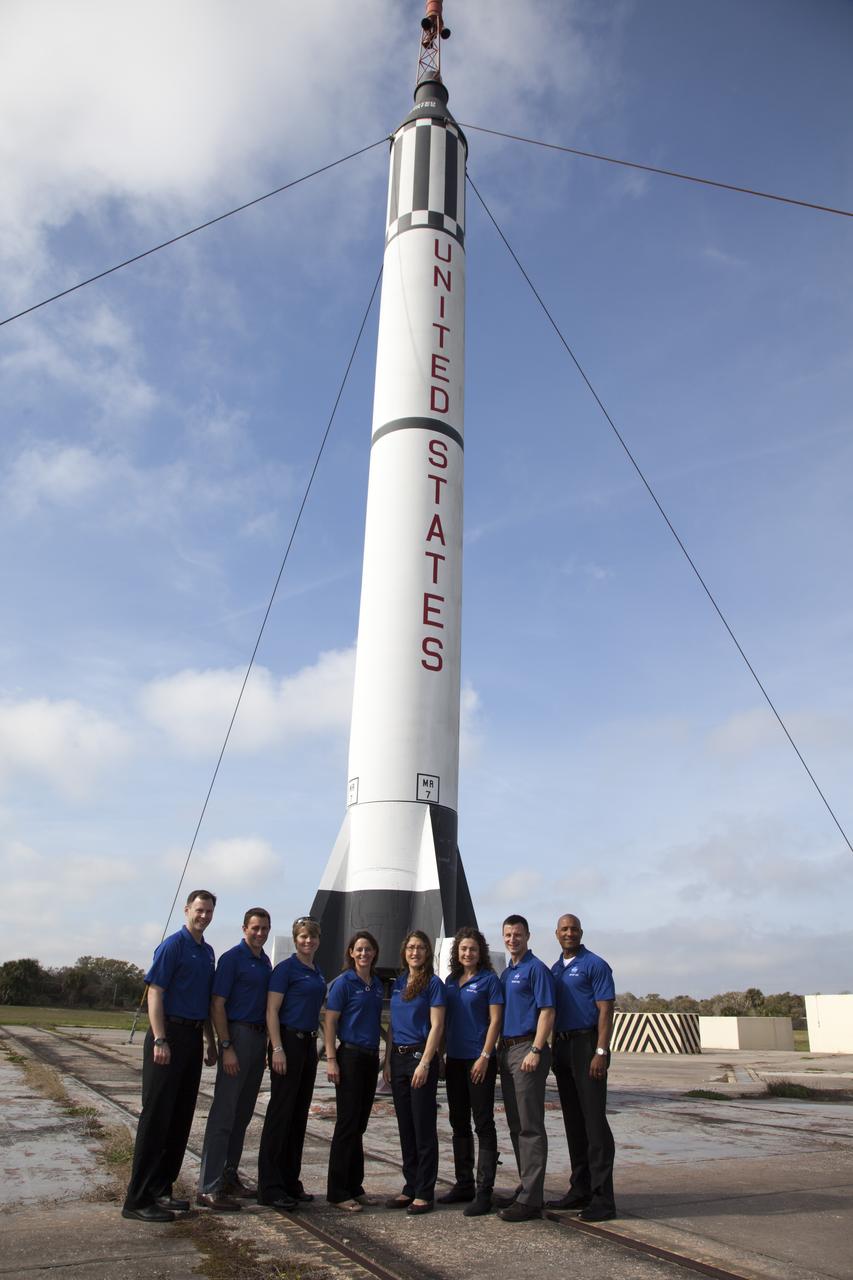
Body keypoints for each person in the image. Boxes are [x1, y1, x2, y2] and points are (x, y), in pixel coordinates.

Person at [122, 889, 217, 1222]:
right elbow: (155, 992)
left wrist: (210, 1040)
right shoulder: (173, 946)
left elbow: (205, 1001)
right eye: (199, 910)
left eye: (209, 911)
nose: (204, 915)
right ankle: (137, 1199)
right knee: (157, 1116)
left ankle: (162, 1189)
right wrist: (160, 1039)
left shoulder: (207, 953)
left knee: (180, 1117)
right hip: (169, 1036)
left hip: (192, 1035)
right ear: (187, 909)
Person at [196, 907, 273, 1210]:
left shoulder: (264, 961)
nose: (261, 933)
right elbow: (217, 1004)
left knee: (242, 1115)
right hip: (237, 1037)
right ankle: (208, 1185)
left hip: (257, 1039)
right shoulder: (231, 959)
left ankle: (229, 1176)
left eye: (265, 928)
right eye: (255, 928)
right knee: (224, 1114)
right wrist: (224, 1045)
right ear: (244, 928)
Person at [546, 912, 617, 1222]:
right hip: (561, 1046)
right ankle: (580, 1188)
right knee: (573, 1123)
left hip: (587, 1045)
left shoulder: (595, 965)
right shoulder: (555, 969)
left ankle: (603, 1198)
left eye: (574, 929)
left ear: (581, 932)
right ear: (556, 933)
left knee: (594, 1123)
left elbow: (606, 1011)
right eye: (564, 929)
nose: (569, 933)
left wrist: (601, 1050)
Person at [257, 916, 326, 1210]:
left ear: (318, 940)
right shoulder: (285, 969)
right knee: (280, 1115)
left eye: (311, 937)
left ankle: (290, 1181)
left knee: (298, 1116)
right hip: (288, 1042)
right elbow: (272, 1010)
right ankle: (270, 1187)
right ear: (295, 939)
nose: (307, 941)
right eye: (302, 937)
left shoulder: (317, 971)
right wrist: (277, 1049)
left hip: (309, 1045)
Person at [494, 914, 555, 1223]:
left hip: (527, 1050)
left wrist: (536, 1049)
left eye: (517, 934)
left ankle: (532, 1198)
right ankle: (526, 1187)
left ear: (527, 936)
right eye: (507, 934)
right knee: (517, 1125)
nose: (512, 939)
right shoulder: (507, 973)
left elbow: (547, 1010)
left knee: (530, 1125)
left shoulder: (536, 970)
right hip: (506, 1051)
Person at [439, 927, 503, 1217]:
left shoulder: (490, 980)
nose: (468, 953)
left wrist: (485, 1056)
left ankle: (484, 1191)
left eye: (473, 949)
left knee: (483, 1123)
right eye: (464, 949)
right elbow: (441, 1022)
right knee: (458, 1122)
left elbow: (495, 1021)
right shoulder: (450, 982)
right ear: (458, 952)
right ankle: (464, 1183)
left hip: (479, 1062)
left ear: (481, 952)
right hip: (454, 1061)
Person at [383, 930, 446, 1216]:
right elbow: (394, 1024)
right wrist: (387, 1060)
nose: (415, 952)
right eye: (411, 947)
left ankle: (424, 1191)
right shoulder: (398, 983)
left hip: (421, 1057)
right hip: (397, 1059)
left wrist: (425, 1062)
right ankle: (410, 1185)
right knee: (405, 1126)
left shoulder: (433, 984)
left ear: (427, 952)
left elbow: (437, 1025)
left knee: (423, 1125)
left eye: (420, 947)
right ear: (404, 951)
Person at [324, 930, 384, 1212]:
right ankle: (337, 1191)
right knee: (347, 1124)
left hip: (371, 1058)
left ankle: (354, 1185)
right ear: (351, 952)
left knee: (359, 1124)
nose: (363, 953)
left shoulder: (376, 984)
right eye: (359, 949)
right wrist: (331, 1058)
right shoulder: (343, 983)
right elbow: (331, 1021)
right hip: (348, 1056)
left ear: (374, 953)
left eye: (368, 949)